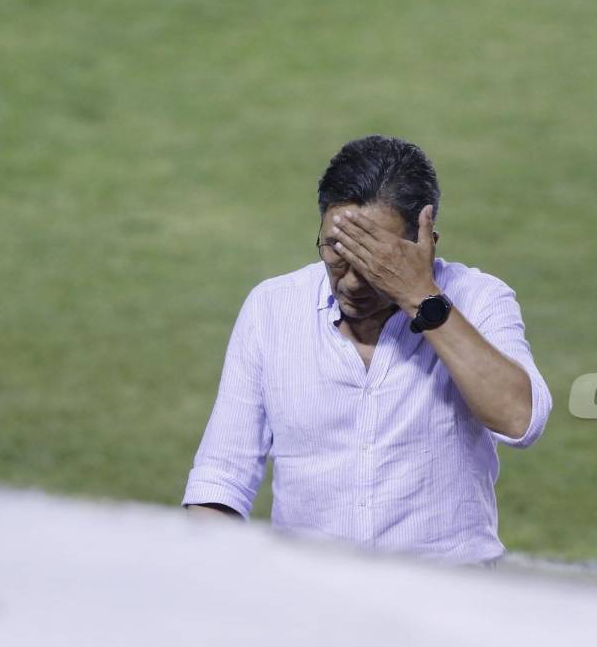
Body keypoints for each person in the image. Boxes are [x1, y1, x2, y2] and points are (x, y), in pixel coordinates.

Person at [182, 135, 552, 566]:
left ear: (426, 241)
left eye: (375, 260)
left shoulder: (480, 299)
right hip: (311, 603)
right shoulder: (271, 309)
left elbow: (519, 419)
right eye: (337, 252)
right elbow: (221, 479)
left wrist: (421, 297)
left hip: (448, 606)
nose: (352, 282)